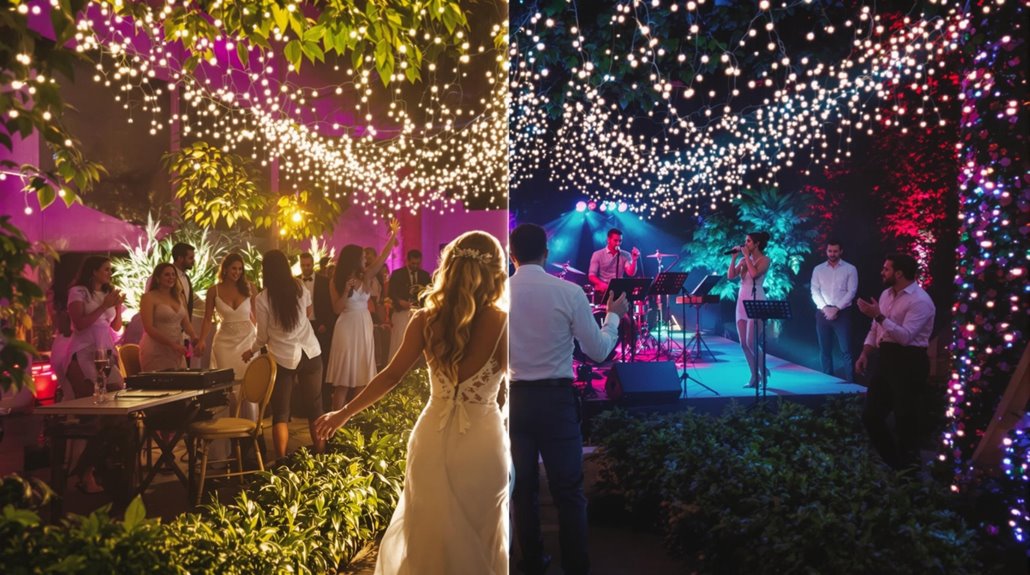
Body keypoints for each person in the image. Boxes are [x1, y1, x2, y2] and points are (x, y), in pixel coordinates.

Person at [314, 230, 510, 574]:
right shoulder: (503, 322)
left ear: (448, 267)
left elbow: (390, 376)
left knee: (427, 538)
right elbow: (520, 383)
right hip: (483, 440)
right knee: (483, 537)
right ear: (495, 272)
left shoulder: (425, 318)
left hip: (431, 438)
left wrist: (343, 413)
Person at [509, 223, 629, 575]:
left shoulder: (496, 295)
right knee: (569, 490)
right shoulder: (569, 292)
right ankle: (576, 565)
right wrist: (613, 317)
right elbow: (599, 351)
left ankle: (533, 563)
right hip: (556, 401)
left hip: (514, 401)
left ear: (511, 255)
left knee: (522, 488)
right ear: (547, 253)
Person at [52, 255, 126, 494]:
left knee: (116, 406)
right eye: (106, 269)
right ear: (93, 271)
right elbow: (80, 323)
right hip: (84, 350)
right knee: (90, 409)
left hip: (105, 350)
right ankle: (85, 471)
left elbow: (115, 327)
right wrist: (104, 306)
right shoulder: (79, 292)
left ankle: (99, 464)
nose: (109, 273)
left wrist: (117, 308)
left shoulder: (108, 292)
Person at [243, 250, 325, 460]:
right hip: (310, 352)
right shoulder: (299, 286)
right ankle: (322, 457)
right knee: (315, 407)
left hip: (282, 357)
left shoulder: (263, 298)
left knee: (281, 413)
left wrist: (251, 350)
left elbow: (262, 336)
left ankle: (281, 462)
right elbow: (308, 311)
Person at [856, 253, 935, 470]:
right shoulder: (886, 294)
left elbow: (905, 337)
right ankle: (895, 464)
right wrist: (865, 353)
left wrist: (879, 316)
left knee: (905, 420)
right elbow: (875, 329)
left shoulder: (920, 301)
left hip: (910, 361)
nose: (882, 272)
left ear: (899, 273)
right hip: (886, 359)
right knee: (871, 416)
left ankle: (910, 473)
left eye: (886, 269)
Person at [326, 220, 400, 409]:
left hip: (364, 325)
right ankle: (337, 421)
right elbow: (336, 309)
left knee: (362, 378)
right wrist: (345, 291)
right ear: (353, 259)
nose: (365, 259)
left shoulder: (366, 276)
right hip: (346, 326)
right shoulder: (336, 280)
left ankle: (355, 419)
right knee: (343, 382)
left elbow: (382, 258)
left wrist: (393, 235)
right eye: (362, 257)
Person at [199, 253, 258, 420]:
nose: (237, 272)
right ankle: (225, 423)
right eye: (234, 268)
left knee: (247, 383)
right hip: (223, 343)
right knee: (226, 384)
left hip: (247, 340)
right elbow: (207, 318)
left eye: (240, 269)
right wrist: (202, 340)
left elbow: (256, 316)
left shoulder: (250, 287)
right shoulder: (214, 290)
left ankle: (248, 424)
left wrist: (261, 340)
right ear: (225, 269)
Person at [727, 231, 771, 388]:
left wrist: (746, 257)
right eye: (745, 241)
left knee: (751, 342)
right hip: (742, 300)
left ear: (757, 244)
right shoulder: (744, 260)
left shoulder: (765, 260)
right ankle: (754, 376)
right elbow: (730, 276)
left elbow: (754, 275)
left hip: (756, 300)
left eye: (748, 241)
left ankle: (763, 370)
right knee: (743, 344)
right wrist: (734, 258)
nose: (745, 244)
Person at [810, 239, 858, 381]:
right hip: (823, 313)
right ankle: (828, 381)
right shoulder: (818, 269)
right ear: (826, 251)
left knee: (846, 350)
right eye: (830, 251)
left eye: (835, 251)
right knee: (825, 350)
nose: (832, 254)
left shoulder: (850, 269)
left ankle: (851, 383)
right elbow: (814, 291)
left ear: (841, 251)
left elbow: (852, 291)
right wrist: (825, 308)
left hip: (843, 313)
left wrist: (836, 308)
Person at [140, 263, 199, 372]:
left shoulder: (179, 297)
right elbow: (149, 328)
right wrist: (172, 345)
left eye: (173, 274)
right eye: (167, 275)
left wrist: (194, 338)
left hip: (177, 349)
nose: (171, 277)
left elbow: (186, 323)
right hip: (156, 349)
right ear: (157, 278)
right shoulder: (148, 297)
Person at [387, 249, 431, 361]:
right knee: (399, 340)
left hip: (418, 313)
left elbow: (429, 294)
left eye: (417, 264)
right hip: (401, 312)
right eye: (413, 263)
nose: (415, 266)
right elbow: (391, 293)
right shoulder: (397, 274)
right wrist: (400, 302)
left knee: (417, 340)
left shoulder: (425, 275)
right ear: (407, 261)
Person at [587, 228, 640, 296]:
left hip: (619, 290)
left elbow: (630, 273)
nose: (618, 243)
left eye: (620, 241)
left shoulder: (626, 255)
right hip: (602, 291)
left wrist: (634, 260)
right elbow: (591, 275)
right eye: (615, 240)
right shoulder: (597, 254)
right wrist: (601, 284)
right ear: (608, 240)